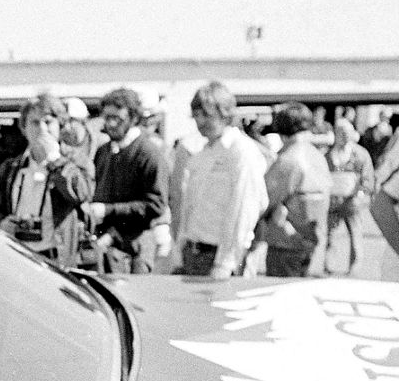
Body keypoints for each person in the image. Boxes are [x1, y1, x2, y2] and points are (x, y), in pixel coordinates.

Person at [174, 81, 269, 277]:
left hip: (218, 257)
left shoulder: (241, 151)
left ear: (225, 114)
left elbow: (245, 208)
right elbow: (189, 206)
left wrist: (227, 262)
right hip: (192, 252)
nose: (200, 122)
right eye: (197, 116)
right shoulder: (203, 153)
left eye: (207, 115)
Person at [0, 92, 93, 267]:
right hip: (18, 256)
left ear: (60, 126)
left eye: (48, 122)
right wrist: (1, 222)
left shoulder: (77, 161)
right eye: (35, 123)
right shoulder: (11, 168)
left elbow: (81, 193)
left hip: (56, 259)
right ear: (24, 128)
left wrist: (54, 160)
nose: (42, 129)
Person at [83, 87, 168, 274]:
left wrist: (108, 210)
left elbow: (156, 205)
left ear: (134, 118)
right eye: (107, 118)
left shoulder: (149, 153)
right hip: (105, 247)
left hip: (135, 248)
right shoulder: (103, 151)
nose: (111, 124)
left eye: (117, 119)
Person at [258, 103, 331, 277]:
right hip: (313, 242)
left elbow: (264, 199)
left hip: (286, 243)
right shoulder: (318, 156)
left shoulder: (288, 160)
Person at [324, 116, 375, 274]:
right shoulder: (327, 155)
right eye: (340, 132)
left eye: (347, 132)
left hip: (352, 201)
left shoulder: (360, 154)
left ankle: (354, 269)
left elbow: (368, 177)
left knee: (355, 235)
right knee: (328, 235)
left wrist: (361, 194)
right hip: (333, 201)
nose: (344, 136)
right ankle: (327, 267)